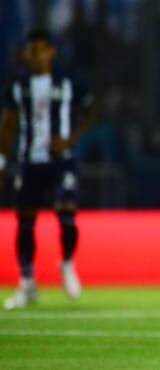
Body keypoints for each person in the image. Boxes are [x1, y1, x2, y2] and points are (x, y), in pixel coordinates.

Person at [2, 30, 97, 310]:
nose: (37, 56)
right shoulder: (17, 87)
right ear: (25, 54)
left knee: (67, 208)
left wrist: (71, 139)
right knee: (25, 221)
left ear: (52, 51)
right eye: (31, 51)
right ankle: (27, 281)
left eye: (42, 50)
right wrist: (0, 160)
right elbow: (7, 125)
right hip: (30, 160)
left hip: (62, 159)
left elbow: (91, 111)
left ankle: (67, 262)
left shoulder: (69, 81)